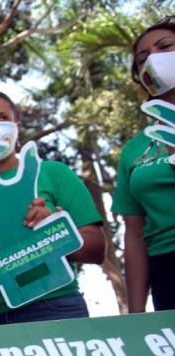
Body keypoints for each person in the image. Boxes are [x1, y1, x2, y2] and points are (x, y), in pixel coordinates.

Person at [0, 90, 105, 327]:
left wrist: (55, 229)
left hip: (53, 309)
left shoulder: (53, 174)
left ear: (16, 126)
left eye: (2, 118)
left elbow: (97, 249)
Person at [113, 17, 175, 312]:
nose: (154, 58)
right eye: (143, 58)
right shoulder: (135, 149)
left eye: (165, 47)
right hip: (168, 270)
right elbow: (135, 235)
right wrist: (136, 314)